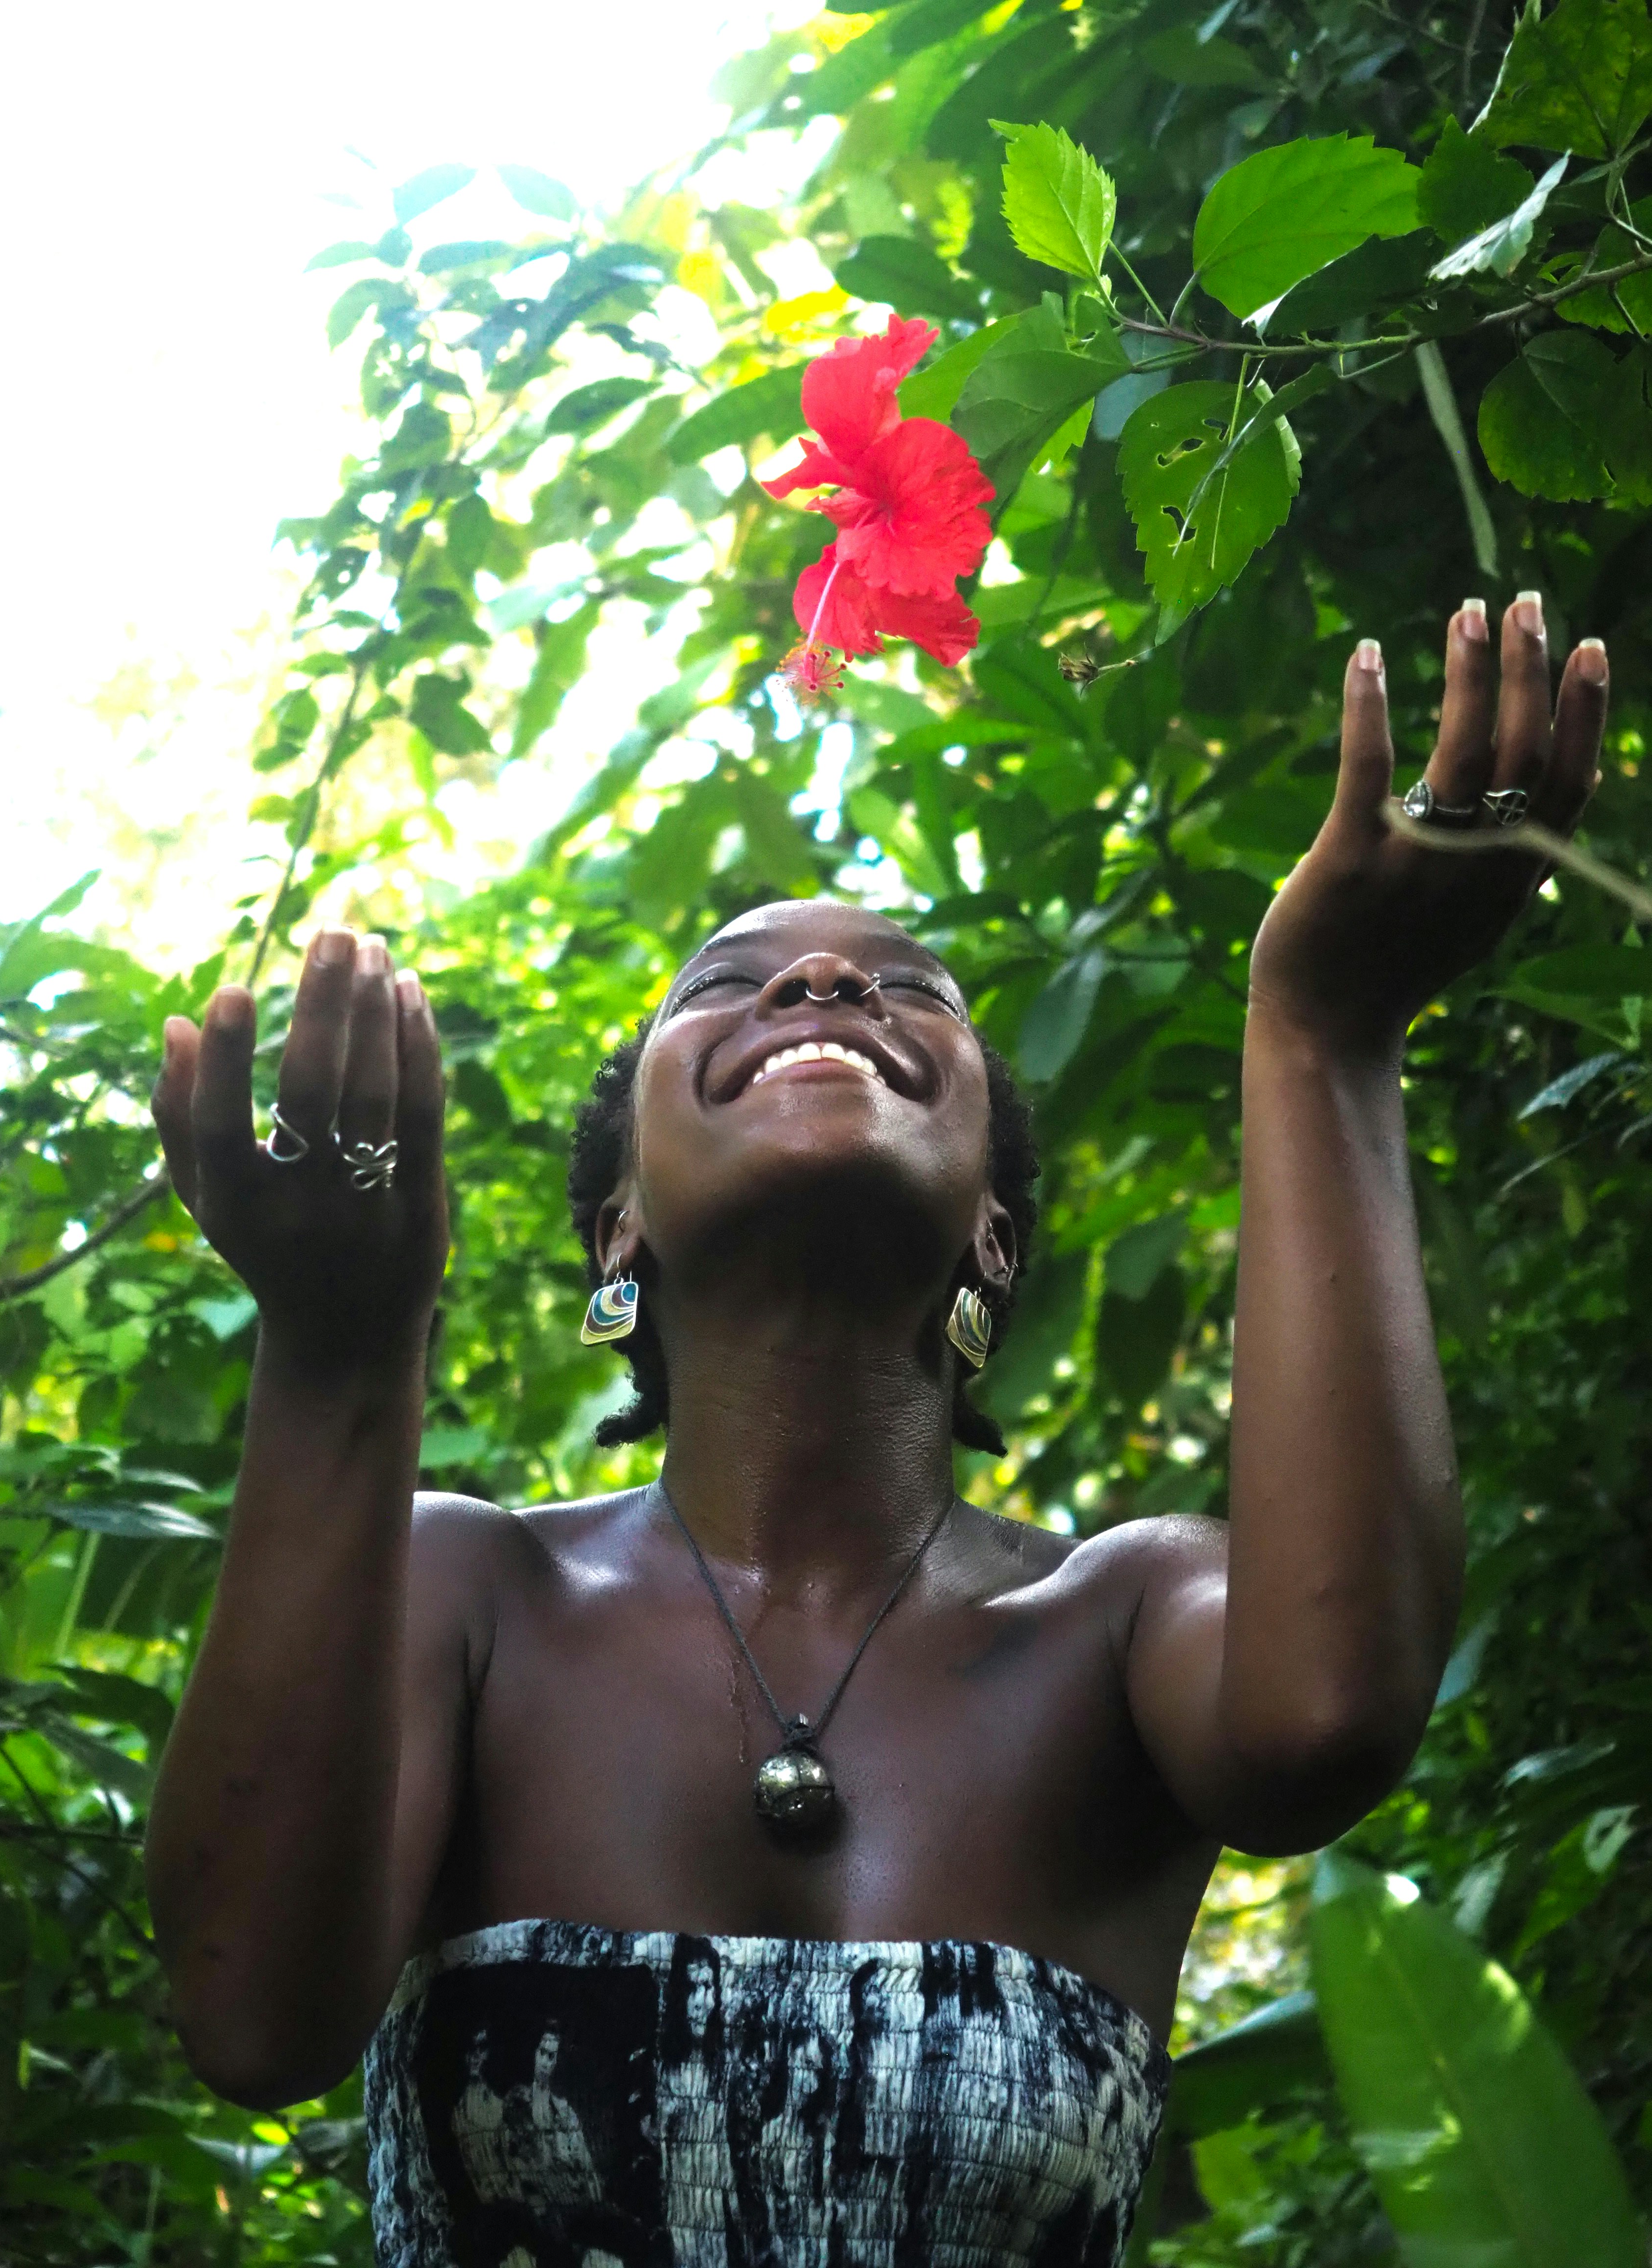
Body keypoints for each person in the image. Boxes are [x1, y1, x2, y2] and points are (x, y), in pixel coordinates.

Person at [145, 601, 1607, 2266]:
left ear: (993, 1231)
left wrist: (1327, 1034)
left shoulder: (1123, 1623)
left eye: (909, 988)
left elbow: (1330, 1715)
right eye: (732, 986)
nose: (827, 980)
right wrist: (339, 1356)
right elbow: (252, 2017)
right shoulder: (461, 1594)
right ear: (620, 1224)